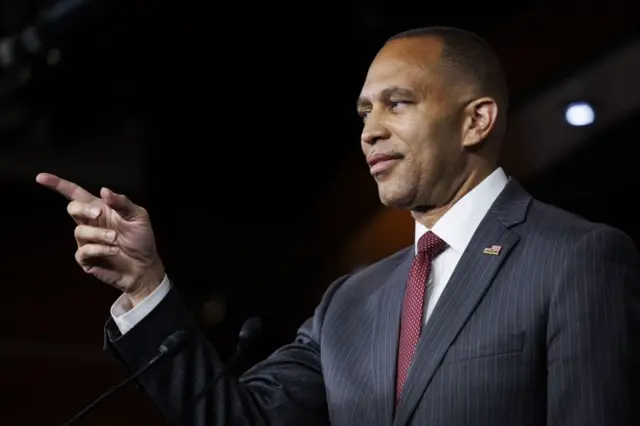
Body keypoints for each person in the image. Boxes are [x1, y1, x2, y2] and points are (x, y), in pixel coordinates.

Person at [37, 26, 640, 426]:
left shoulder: (577, 258)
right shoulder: (350, 303)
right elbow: (236, 419)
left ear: (476, 119)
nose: (369, 130)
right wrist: (145, 287)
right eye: (363, 112)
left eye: (396, 103)